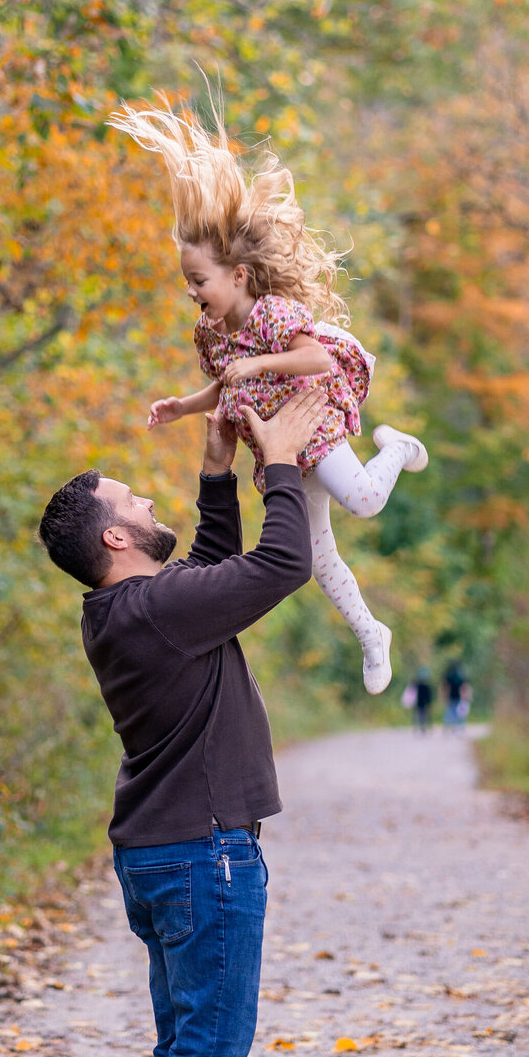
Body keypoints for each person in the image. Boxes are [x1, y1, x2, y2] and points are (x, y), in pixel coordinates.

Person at [38, 388, 327, 1057]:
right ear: (114, 539)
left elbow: (212, 564)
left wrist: (215, 470)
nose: (150, 505)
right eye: (138, 502)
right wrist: (277, 458)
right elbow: (283, 564)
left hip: (164, 853)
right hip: (205, 856)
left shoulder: (130, 612)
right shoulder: (157, 613)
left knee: (185, 1042)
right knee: (209, 1042)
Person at [111, 101, 428, 696]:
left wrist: (260, 359)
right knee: (312, 561)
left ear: (238, 277)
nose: (191, 291)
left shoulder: (273, 314)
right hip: (277, 450)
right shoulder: (209, 332)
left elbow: (317, 360)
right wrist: (185, 404)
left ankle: (398, 447)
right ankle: (371, 633)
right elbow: (225, 384)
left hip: (311, 424)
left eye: (199, 280)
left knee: (362, 501)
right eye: (187, 282)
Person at [443, 658, 466, 730]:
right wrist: (463, 696)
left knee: (450, 712)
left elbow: (447, 687)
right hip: (457, 696)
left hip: (452, 696)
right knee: (457, 712)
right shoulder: (460, 676)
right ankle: (456, 727)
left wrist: (446, 695)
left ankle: (449, 726)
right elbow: (462, 687)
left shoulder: (449, 675)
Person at [412, 665, 434, 733]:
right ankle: (424, 726)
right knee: (424, 714)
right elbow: (429, 695)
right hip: (423, 702)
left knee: (421, 714)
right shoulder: (426, 686)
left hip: (420, 702)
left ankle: (422, 726)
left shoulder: (418, 686)